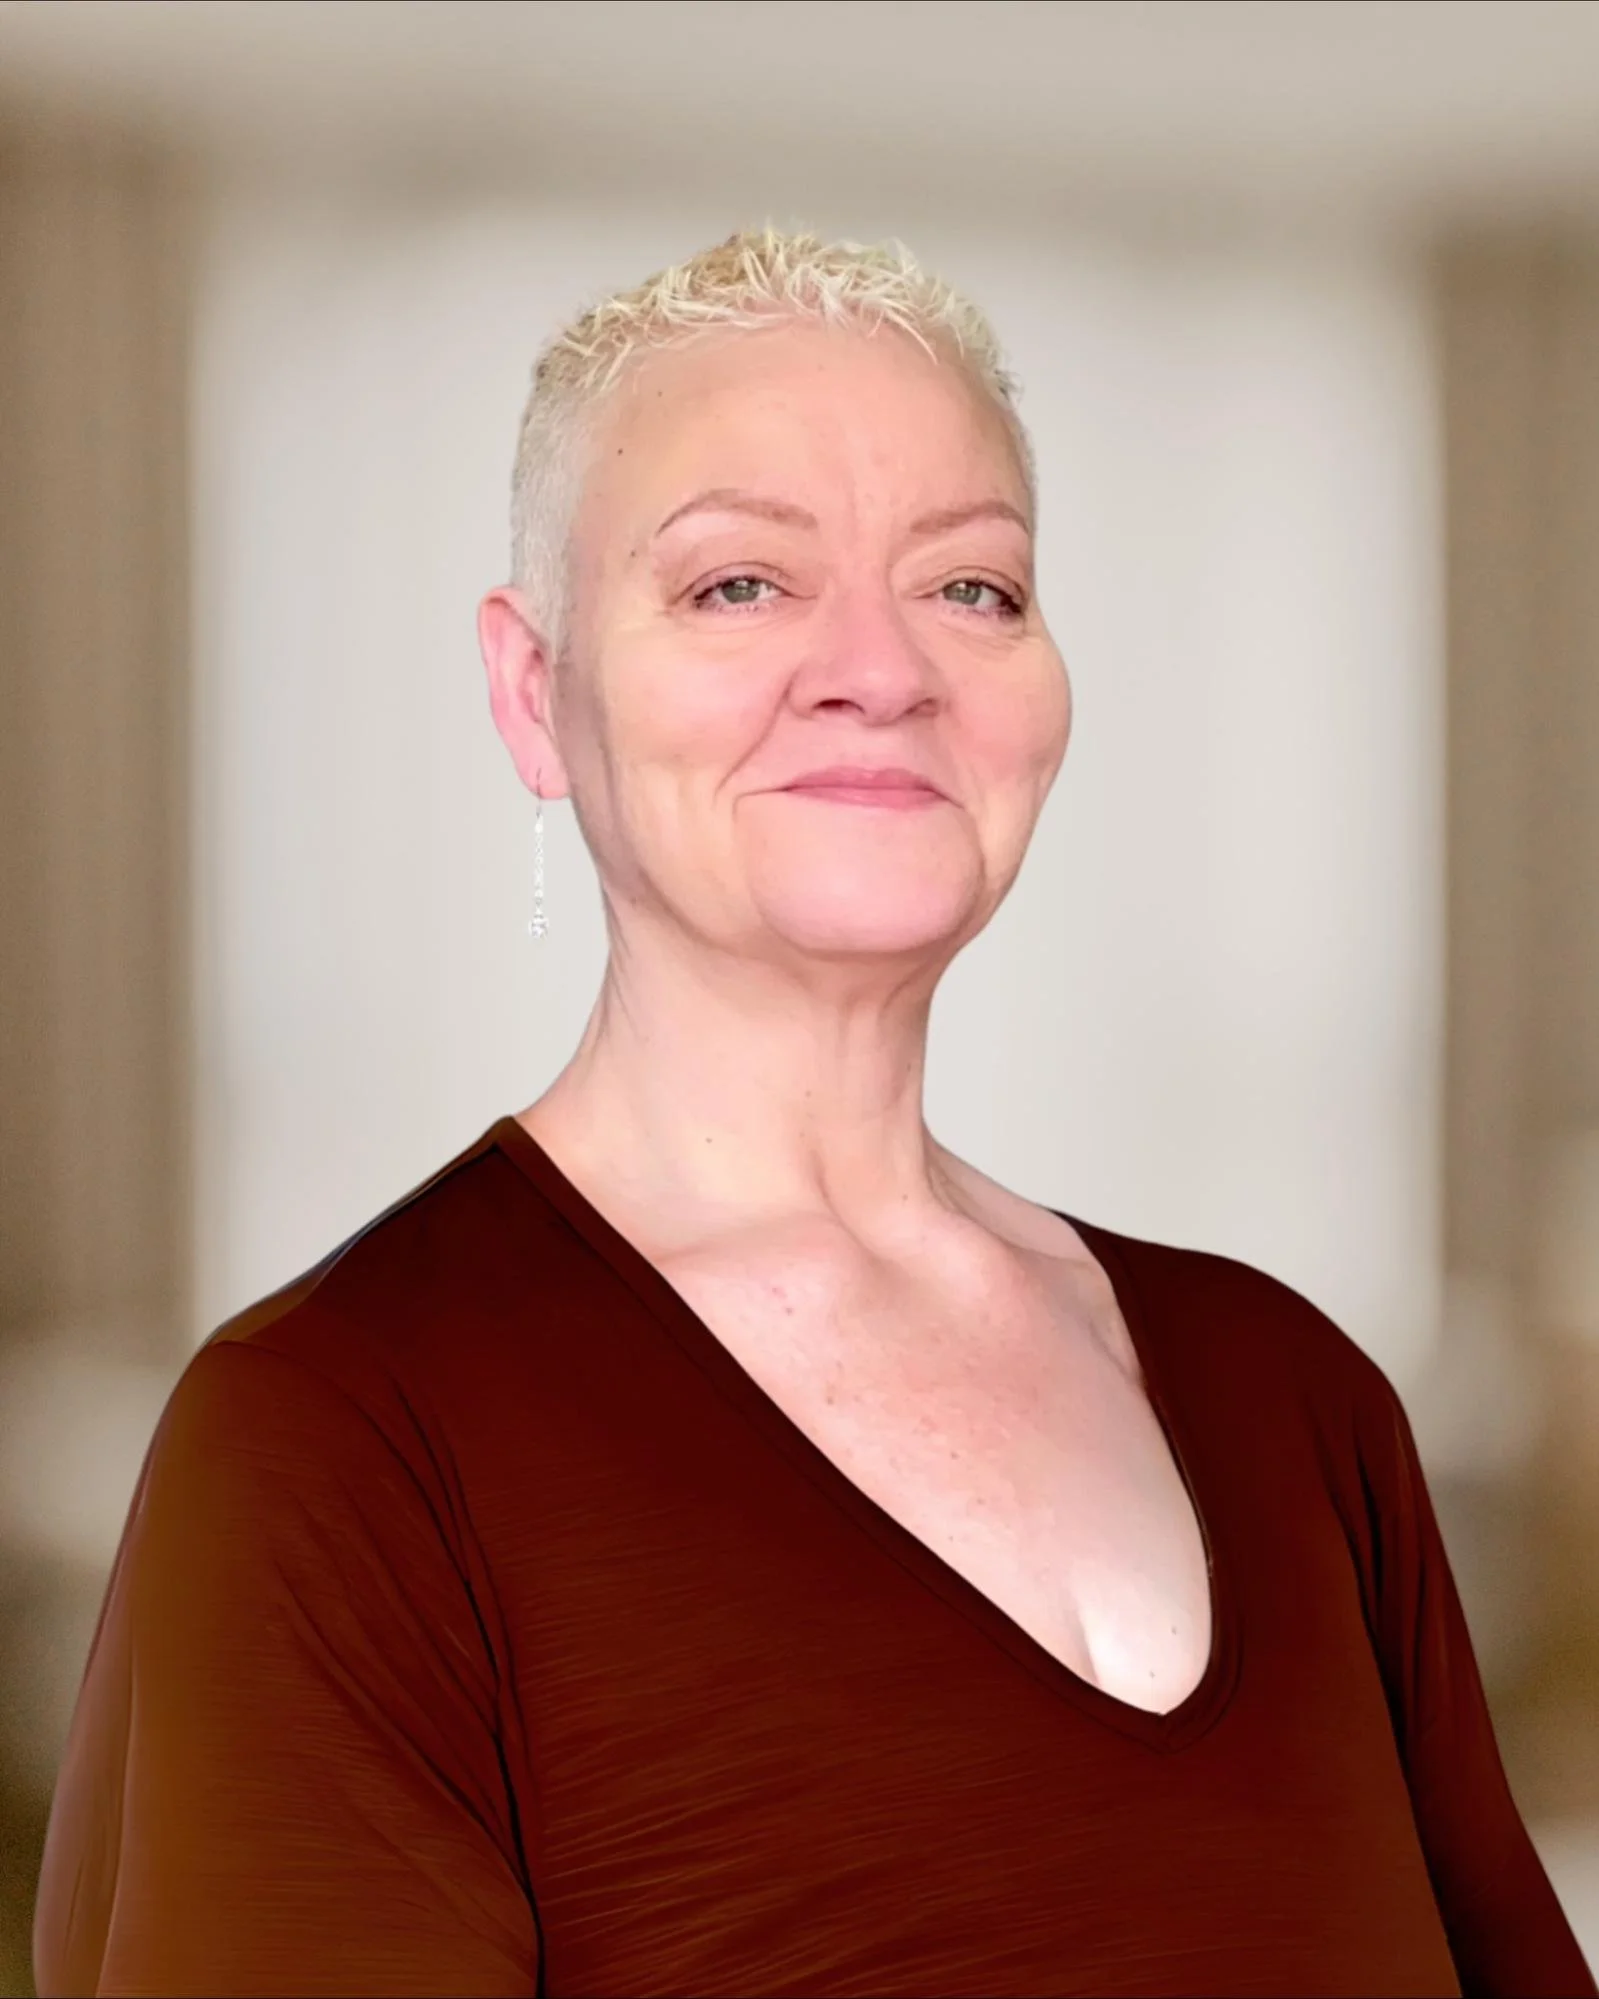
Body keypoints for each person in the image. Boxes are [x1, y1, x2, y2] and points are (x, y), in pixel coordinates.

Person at [33, 226, 1596, 1999]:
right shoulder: (336, 1436)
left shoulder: (1296, 1399)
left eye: (971, 587)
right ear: (533, 691)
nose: (881, 666)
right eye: (738, 584)